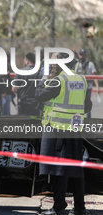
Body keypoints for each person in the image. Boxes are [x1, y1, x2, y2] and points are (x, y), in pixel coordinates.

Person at [35, 52, 92, 215]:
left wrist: (44, 78)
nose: (52, 66)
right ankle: (80, 208)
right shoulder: (81, 79)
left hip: (59, 129)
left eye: (53, 63)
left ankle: (59, 207)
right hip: (75, 129)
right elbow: (87, 106)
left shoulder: (59, 81)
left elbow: (38, 95)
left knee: (61, 169)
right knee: (76, 168)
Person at [74, 49, 99, 118]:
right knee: (78, 104)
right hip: (78, 88)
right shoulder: (77, 64)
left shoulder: (90, 64)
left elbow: (95, 76)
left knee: (87, 105)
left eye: (83, 55)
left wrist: (97, 87)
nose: (82, 56)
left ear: (86, 56)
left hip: (88, 88)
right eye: (81, 55)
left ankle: (88, 121)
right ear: (79, 55)